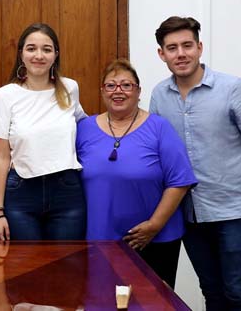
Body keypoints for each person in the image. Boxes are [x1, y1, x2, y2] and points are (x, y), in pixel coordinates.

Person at [150, 16, 241, 309]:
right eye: (172, 48)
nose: (181, 54)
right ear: (162, 54)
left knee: (239, 294)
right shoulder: (159, 95)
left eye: (187, 45)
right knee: (212, 293)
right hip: (190, 215)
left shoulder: (232, 88)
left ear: (200, 47)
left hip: (235, 213)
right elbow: (158, 152)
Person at [76, 58, 197, 288]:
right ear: (102, 91)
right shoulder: (84, 129)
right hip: (99, 240)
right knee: (102, 301)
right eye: (111, 85)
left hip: (154, 239)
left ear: (138, 91)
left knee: (152, 301)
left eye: (126, 85)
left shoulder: (159, 127)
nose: (118, 91)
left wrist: (154, 225)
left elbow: (180, 181)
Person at [0, 22, 87, 241]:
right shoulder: (4, 96)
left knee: (68, 261)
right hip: (21, 192)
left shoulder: (70, 88)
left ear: (56, 55)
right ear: (21, 54)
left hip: (66, 191)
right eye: (31, 49)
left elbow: (86, 127)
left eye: (46, 49)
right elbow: (1, 157)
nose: (39, 55)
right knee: (26, 262)